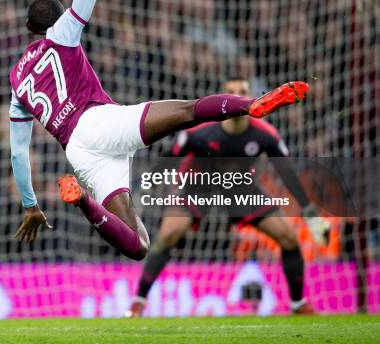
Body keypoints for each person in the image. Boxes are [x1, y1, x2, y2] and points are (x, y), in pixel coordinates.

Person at [8, 0, 309, 261]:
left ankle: (82, 200)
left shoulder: (17, 81)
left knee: (139, 245)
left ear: (29, 30)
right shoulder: (61, 34)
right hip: (98, 124)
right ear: (50, 25)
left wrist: (31, 204)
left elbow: (19, 154)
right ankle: (248, 106)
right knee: (186, 111)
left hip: (80, 154)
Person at [127, 76, 328, 315]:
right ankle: (138, 302)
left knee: (288, 238)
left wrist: (310, 213)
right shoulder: (200, 132)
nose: (236, 96)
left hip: (239, 187)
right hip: (198, 184)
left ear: (251, 97)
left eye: (241, 91)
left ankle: (298, 304)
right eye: (230, 92)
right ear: (223, 98)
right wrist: (144, 188)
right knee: (169, 233)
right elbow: (170, 159)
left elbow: (287, 173)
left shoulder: (265, 135)